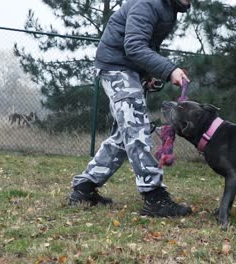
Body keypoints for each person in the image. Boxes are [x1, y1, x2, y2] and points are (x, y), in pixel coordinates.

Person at [68, 0, 193, 217]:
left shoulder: (167, 8)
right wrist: (169, 69)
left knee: (123, 138)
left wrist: (147, 75)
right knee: (136, 129)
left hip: (126, 69)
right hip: (116, 68)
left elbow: (146, 45)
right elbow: (134, 45)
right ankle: (154, 197)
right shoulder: (147, 3)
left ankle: (84, 189)